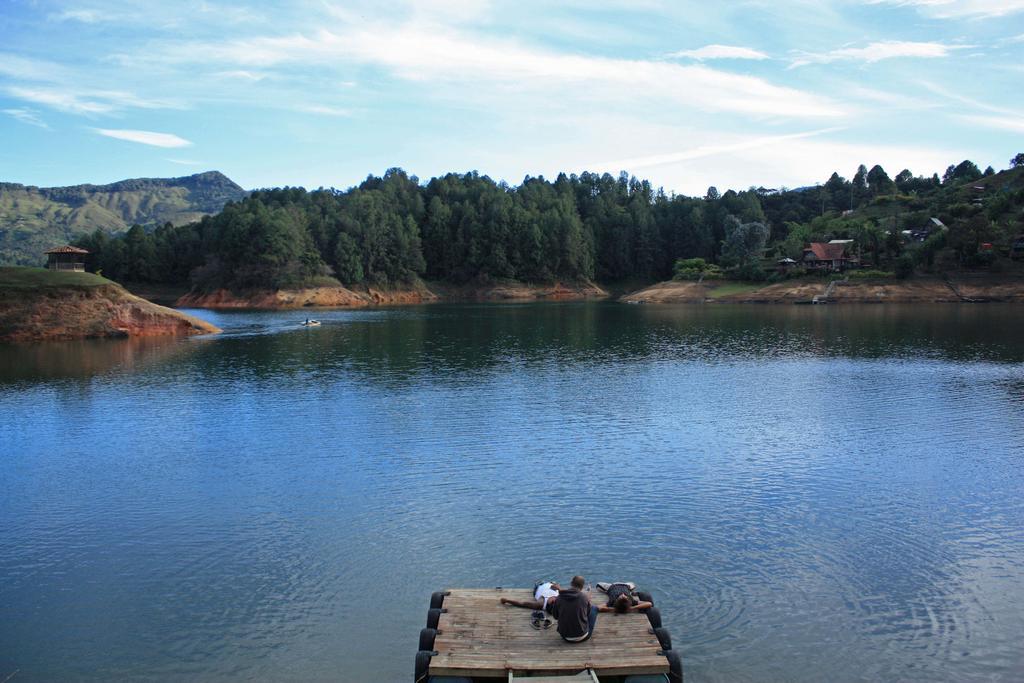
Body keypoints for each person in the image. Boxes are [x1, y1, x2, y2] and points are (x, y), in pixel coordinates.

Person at [550, 575, 598, 643]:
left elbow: (555, 616)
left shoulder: (559, 598)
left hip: (565, 637)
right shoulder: (584, 597)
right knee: (594, 608)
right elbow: (587, 614)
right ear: (582, 587)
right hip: (583, 636)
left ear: (571, 583)